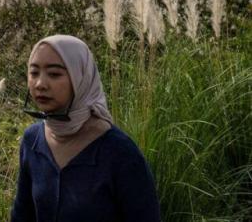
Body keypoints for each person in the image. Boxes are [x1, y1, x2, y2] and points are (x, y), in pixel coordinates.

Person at [10, 35, 160, 222]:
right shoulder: (32, 140)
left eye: (54, 74)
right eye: (34, 73)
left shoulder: (119, 152)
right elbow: (22, 215)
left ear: (80, 77)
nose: (40, 84)